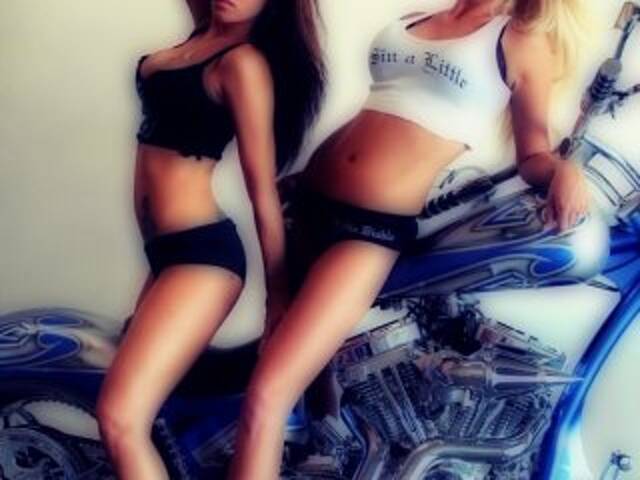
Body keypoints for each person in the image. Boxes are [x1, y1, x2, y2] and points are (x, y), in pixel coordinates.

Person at [226, 0, 592, 478]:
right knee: (301, 407)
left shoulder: (520, 40)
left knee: (267, 396)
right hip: (307, 206)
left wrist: (566, 170)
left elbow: (533, 155)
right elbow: (384, 110)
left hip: (368, 231)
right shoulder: (414, 20)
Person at [95, 0, 325, 478]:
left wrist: (277, 296)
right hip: (166, 258)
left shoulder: (243, 64)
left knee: (120, 419)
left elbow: (261, 192)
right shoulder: (201, 36)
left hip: (202, 258)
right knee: (150, 411)